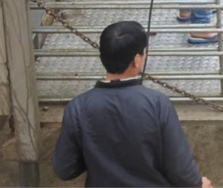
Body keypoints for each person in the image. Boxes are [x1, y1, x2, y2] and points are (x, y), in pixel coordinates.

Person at [52, 21, 213, 188]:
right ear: (136, 60)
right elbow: (180, 169)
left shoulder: (78, 107)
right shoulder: (157, 104)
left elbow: (64, 169)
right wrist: (199, 184)